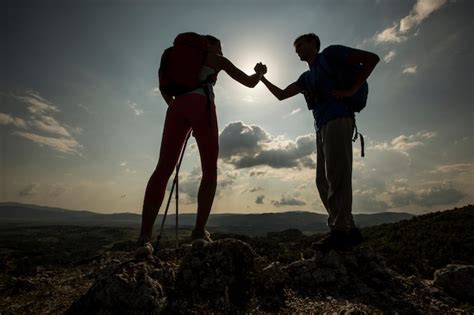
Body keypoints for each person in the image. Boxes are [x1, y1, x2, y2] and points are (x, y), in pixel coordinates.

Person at [136, 35, 267, 258]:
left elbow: (165, 89)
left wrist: (183, 115)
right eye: (221, 46)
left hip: (176, 107)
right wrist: (260, 73)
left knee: (162, 169)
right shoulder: (215, 58)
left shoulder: (173, 58)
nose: (222, 51)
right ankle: (198, 233)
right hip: (201, 104)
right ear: (211, 44)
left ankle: (143, 239)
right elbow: (249, 82)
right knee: (209, 169)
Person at [259, 33, 379, 251]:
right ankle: (348, 228)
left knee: (337, 175)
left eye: (301, 45)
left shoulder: (331, 54)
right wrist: (262, 78)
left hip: (339, 118)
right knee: (322, 180)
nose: (297, 50)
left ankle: (340, 231)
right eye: (295, 48)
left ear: (314, 43)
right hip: (321, 126)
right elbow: (281, 95)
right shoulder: (306, 77)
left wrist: (351, 90)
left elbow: (372, 58)